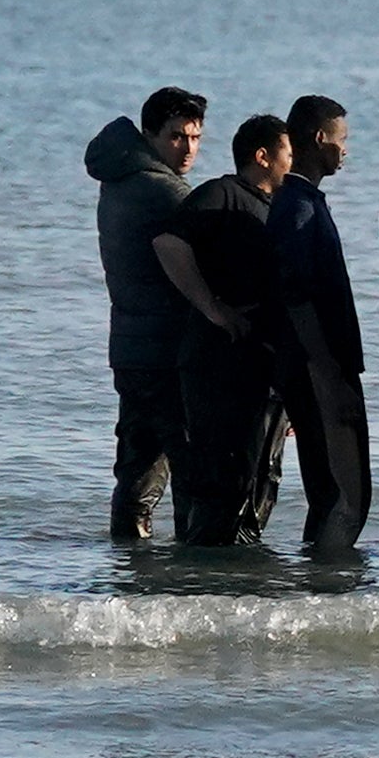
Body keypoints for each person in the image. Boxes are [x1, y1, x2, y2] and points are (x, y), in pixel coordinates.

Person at [148, 113, 298, 547]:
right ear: (263, 156)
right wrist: (212, 308)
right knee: (224, 477)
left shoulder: (281, 207)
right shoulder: (223, 194)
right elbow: (168, 243)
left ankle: (243, 578)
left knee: (263, 475)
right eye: (289, 152)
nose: (295, 160)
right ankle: (211, 576)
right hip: (221, 361)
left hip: (265, 367)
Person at [87, 86, 206, 540]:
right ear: (150, 134)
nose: (189, 148)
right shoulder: (162, 191)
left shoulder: (119, 179)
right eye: (177, 137)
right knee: (187, 469)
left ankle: (132, 571)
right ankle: (186, 579)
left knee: (138, 466)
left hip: (131, 348)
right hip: (166, 350)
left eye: (195, 138)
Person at [266, 96, 374, 554]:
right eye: (340, 140)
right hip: (318, 370)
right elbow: (294, 295)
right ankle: (329, 584)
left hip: (317, 368)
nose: (344, 150)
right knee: (343, 494)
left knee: (334, 491)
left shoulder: (303, 201)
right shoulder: (297, 207)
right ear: (318, 140)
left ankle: (322, 581)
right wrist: (326, 369)